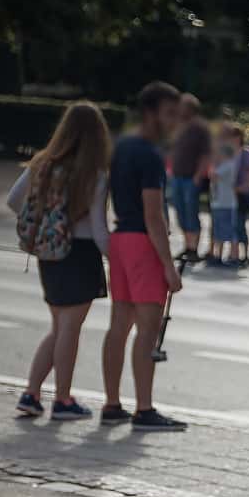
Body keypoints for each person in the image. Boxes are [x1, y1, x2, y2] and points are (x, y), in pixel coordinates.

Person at [6, 100, 111, 421]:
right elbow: (97, 229)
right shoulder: (94, 172)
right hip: (79, 254)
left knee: (59, 327)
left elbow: (13, 201)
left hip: (48, 251)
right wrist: (118, 259)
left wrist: (48, 220)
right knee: (69, 329)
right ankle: (62, 400)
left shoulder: (43, 163)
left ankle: (31, 393)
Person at [100, 81, 186, 431]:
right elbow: (154, 214)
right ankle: (144, 408)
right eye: (168, 114)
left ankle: (111, 404)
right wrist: (168, 266)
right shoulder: (149, 154)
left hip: (121, 238)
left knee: (119, 326)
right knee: (148, 330)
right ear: (150, 112)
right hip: (143, 243)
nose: (172, 122)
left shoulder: (122, 146)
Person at [164, 92, 209, 264]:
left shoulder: (200, 128)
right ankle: (186, 244)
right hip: (177, 176)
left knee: (191, 212)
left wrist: (199, 174)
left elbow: (206, 154)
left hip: (191, 178)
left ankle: (193, 248)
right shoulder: (179, 127)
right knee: (181, 212)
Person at [205, 125, 241, 267]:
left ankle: (233, 256)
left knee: (227, 231)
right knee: (218, 230)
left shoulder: (227, 165)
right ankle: (218, 254)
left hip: (225, 203)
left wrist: (214, 163)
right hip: (219, 202)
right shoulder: (224, 165)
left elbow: (212, 175)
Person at [233, 125, 249, 267]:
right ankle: (234, 254)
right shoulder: (229, 151)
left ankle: (245, 255)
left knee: (240, 224)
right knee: (231, 225)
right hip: (229, 193)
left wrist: (244, 186)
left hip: (241, 194)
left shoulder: (246, 152)